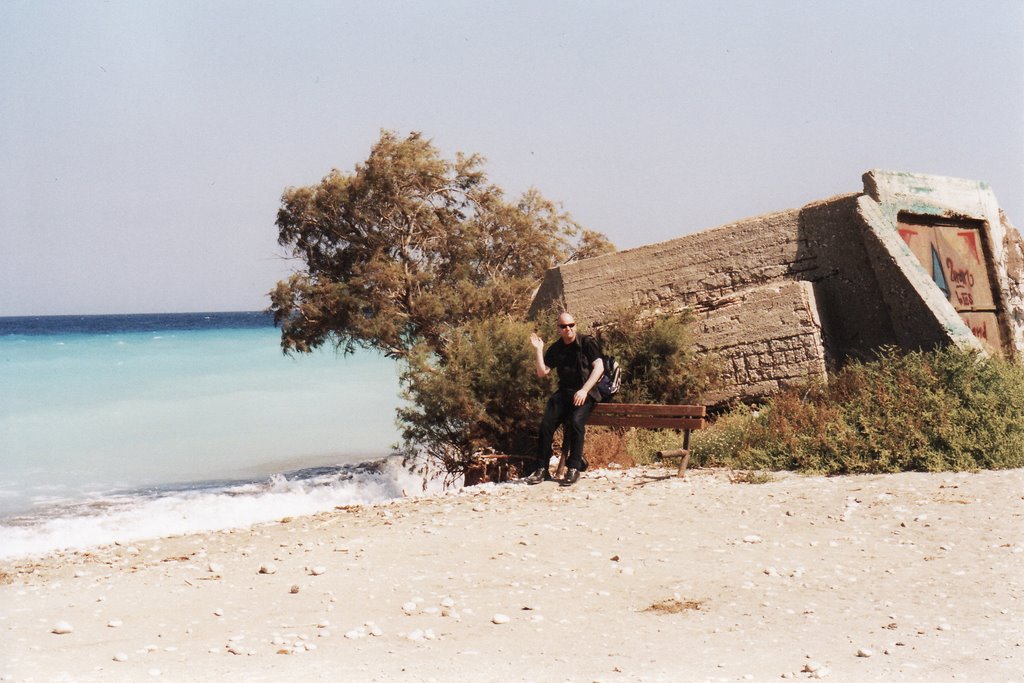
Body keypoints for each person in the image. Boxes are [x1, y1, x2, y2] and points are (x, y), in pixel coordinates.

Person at [526, 312, 604, 487]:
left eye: (571, 325)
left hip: (586, 392)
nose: (568, 329)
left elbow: (599, 367)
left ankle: (574, 468)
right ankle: (541, 469)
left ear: (575, 325)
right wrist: (538, 350)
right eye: (563, 326)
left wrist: (584, 390)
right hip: (564, 393)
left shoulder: (587, 343)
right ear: (558, 329)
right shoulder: (556, 348)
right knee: (546, 425)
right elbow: (542, 372)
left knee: (576, 422)